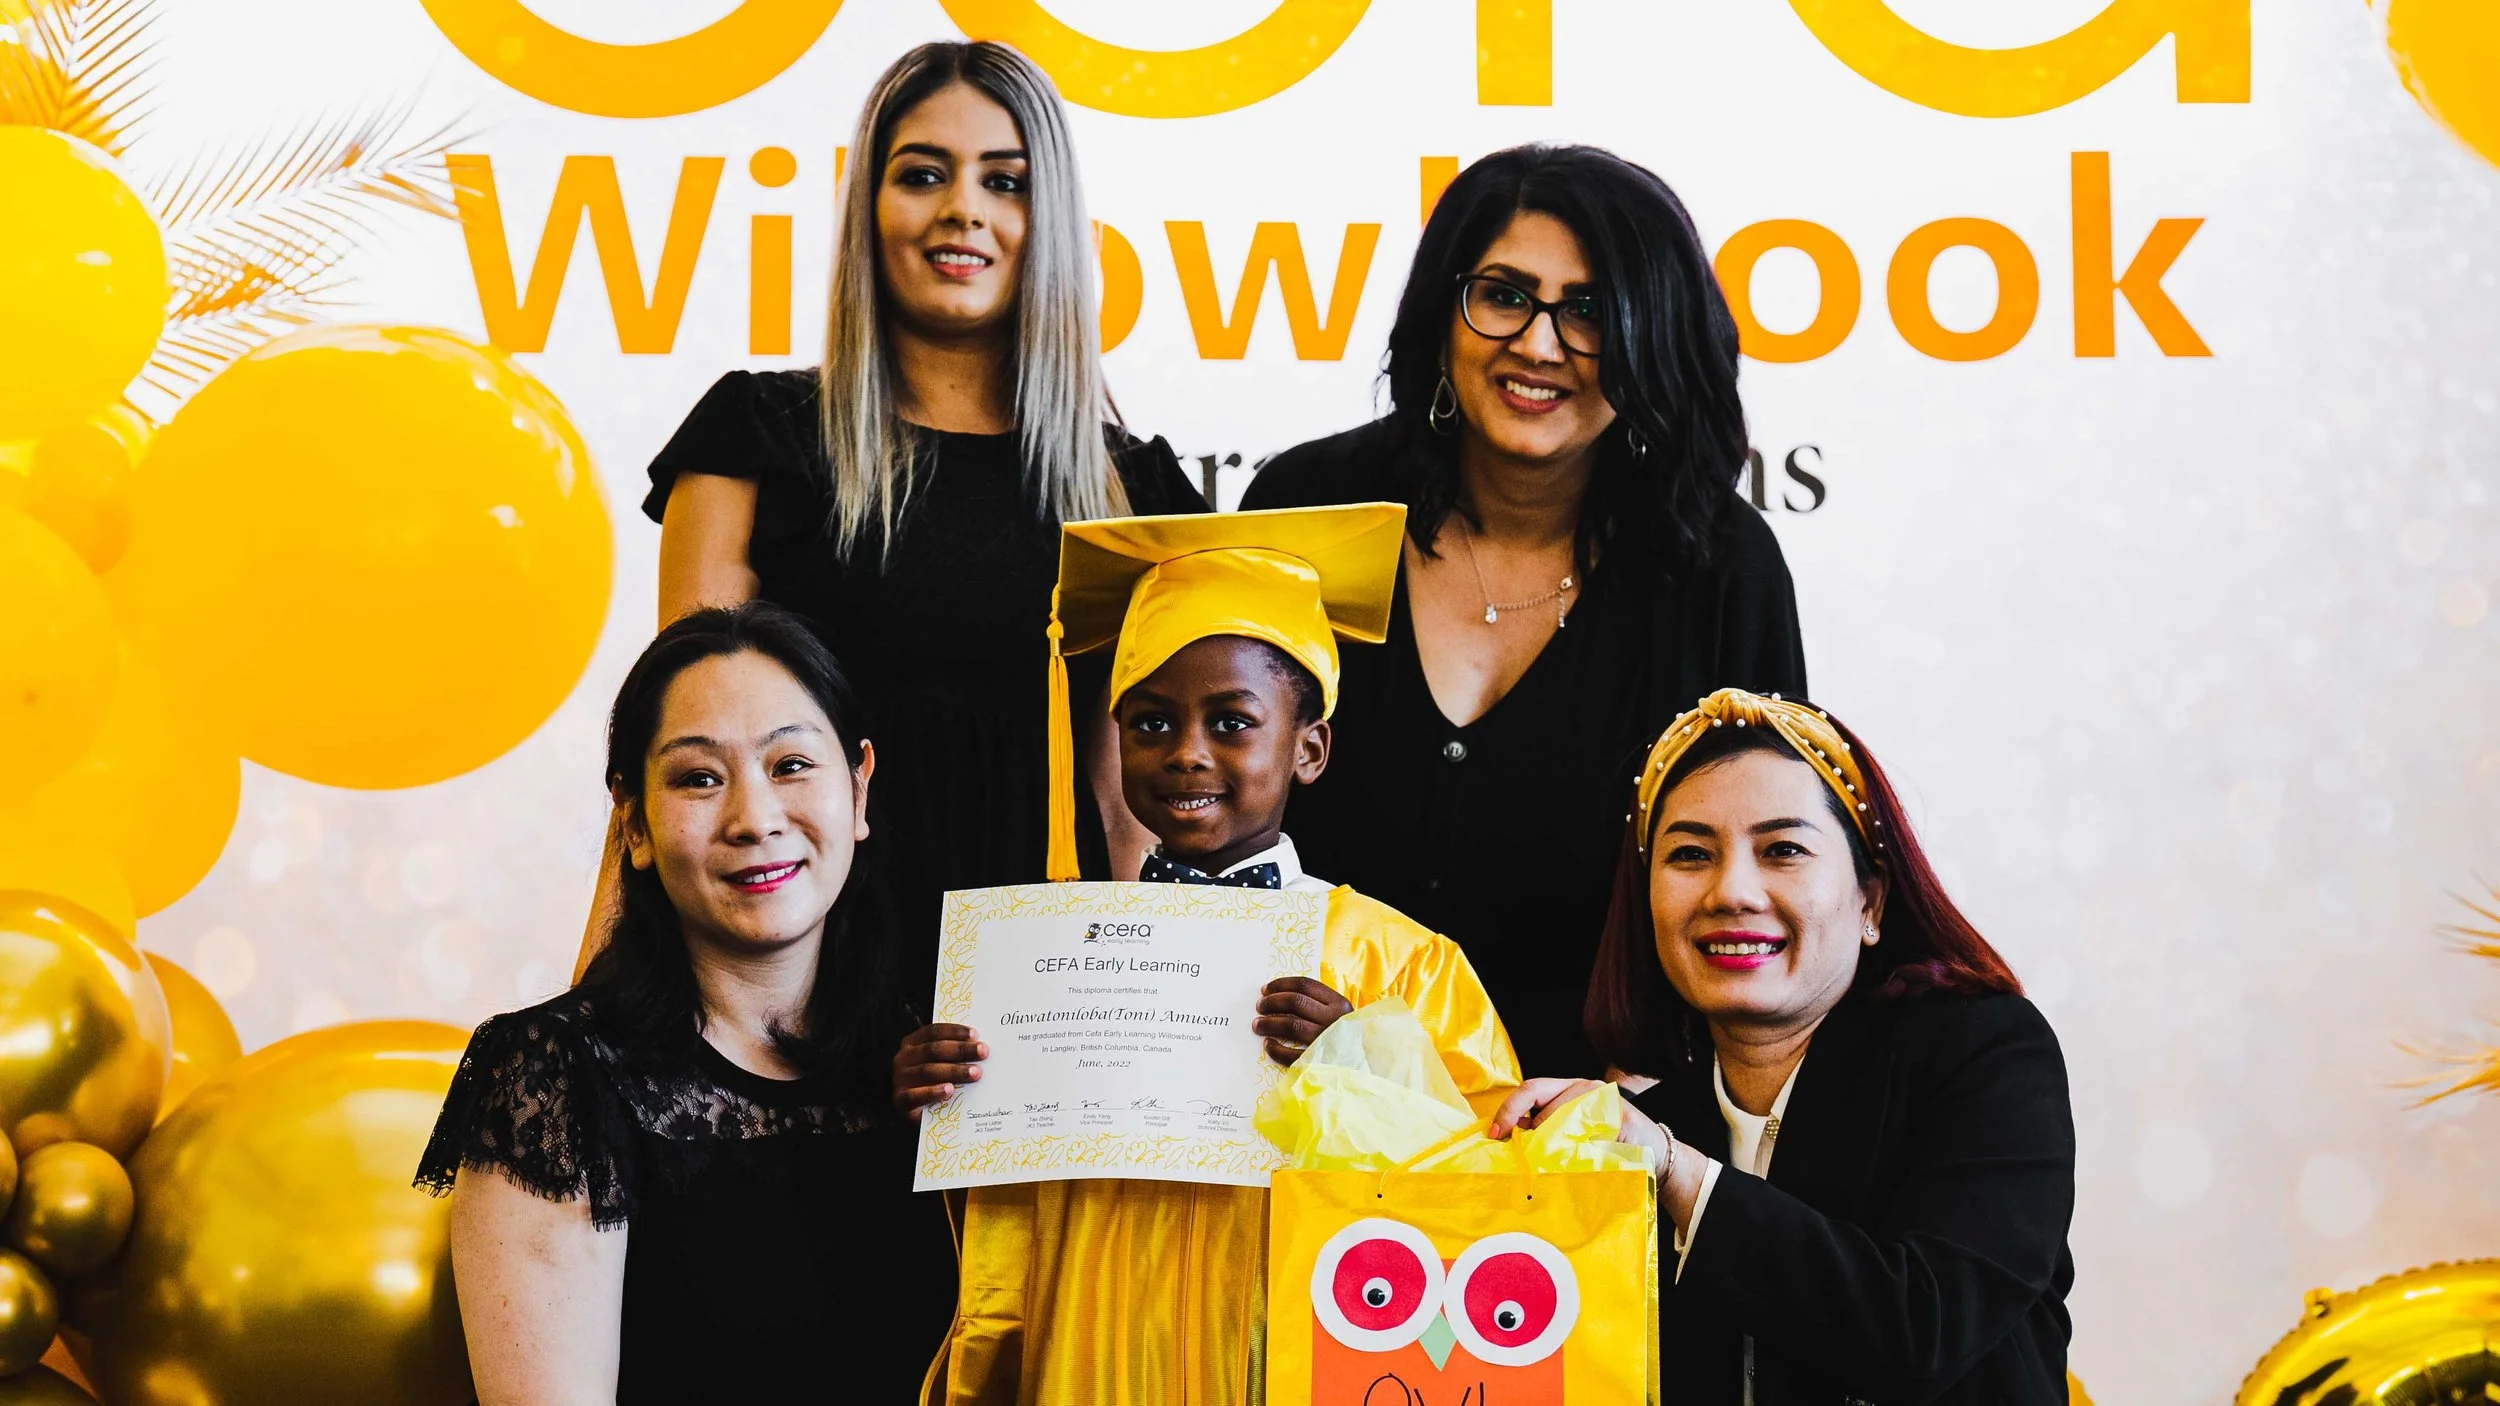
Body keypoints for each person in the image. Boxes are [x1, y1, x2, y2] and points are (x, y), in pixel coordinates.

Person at [894, 503, 1521, 1405]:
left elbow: (1500, 1187)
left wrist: (1365, 1064)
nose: (1186, 753)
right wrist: (948, 1094)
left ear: (1309, 749)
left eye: (1231, 723)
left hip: (1303, 1358)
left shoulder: (1401, 962)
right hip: (1094, 1344)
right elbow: (1013, 1213)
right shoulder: (1046, 953)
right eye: (1149, 724)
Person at [624, 40, 1205, 1000]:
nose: (962, 209)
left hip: (1052, 1007)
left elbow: (1134, 804)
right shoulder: (756, 440)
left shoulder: (1132, 490)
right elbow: (674, 760)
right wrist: (599, 996)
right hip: (795, 990)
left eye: (1005, 181)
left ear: (1049, 217)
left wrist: (1164, 1024)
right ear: (870, 209)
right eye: (923, 174)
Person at [1240, 145, 1808, 1079]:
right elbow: (1200, 810)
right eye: (1504, 294)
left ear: (1652, 338)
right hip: (1298, 1120)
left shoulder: (1719, 566)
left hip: (1592, 1137)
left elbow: (1767, 873)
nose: (1539, 345)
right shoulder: (1307, 507)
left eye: (1588, 312)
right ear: (1442, 312)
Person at [419, 604, 956, 1403]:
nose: (754, 819)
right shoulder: (553, 1078)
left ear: (859, 787)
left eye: (791, 766)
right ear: (632, 822)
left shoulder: (921, 1060)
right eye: (699, 778)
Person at [1492, 688, 2074, 1405]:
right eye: (1690, 854)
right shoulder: (1634, 1128)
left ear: (1872, 901)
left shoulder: (1986, 1055)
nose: (1732, 891)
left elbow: (1921, 1333)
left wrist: (1676, 1172)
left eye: (1784, 850)